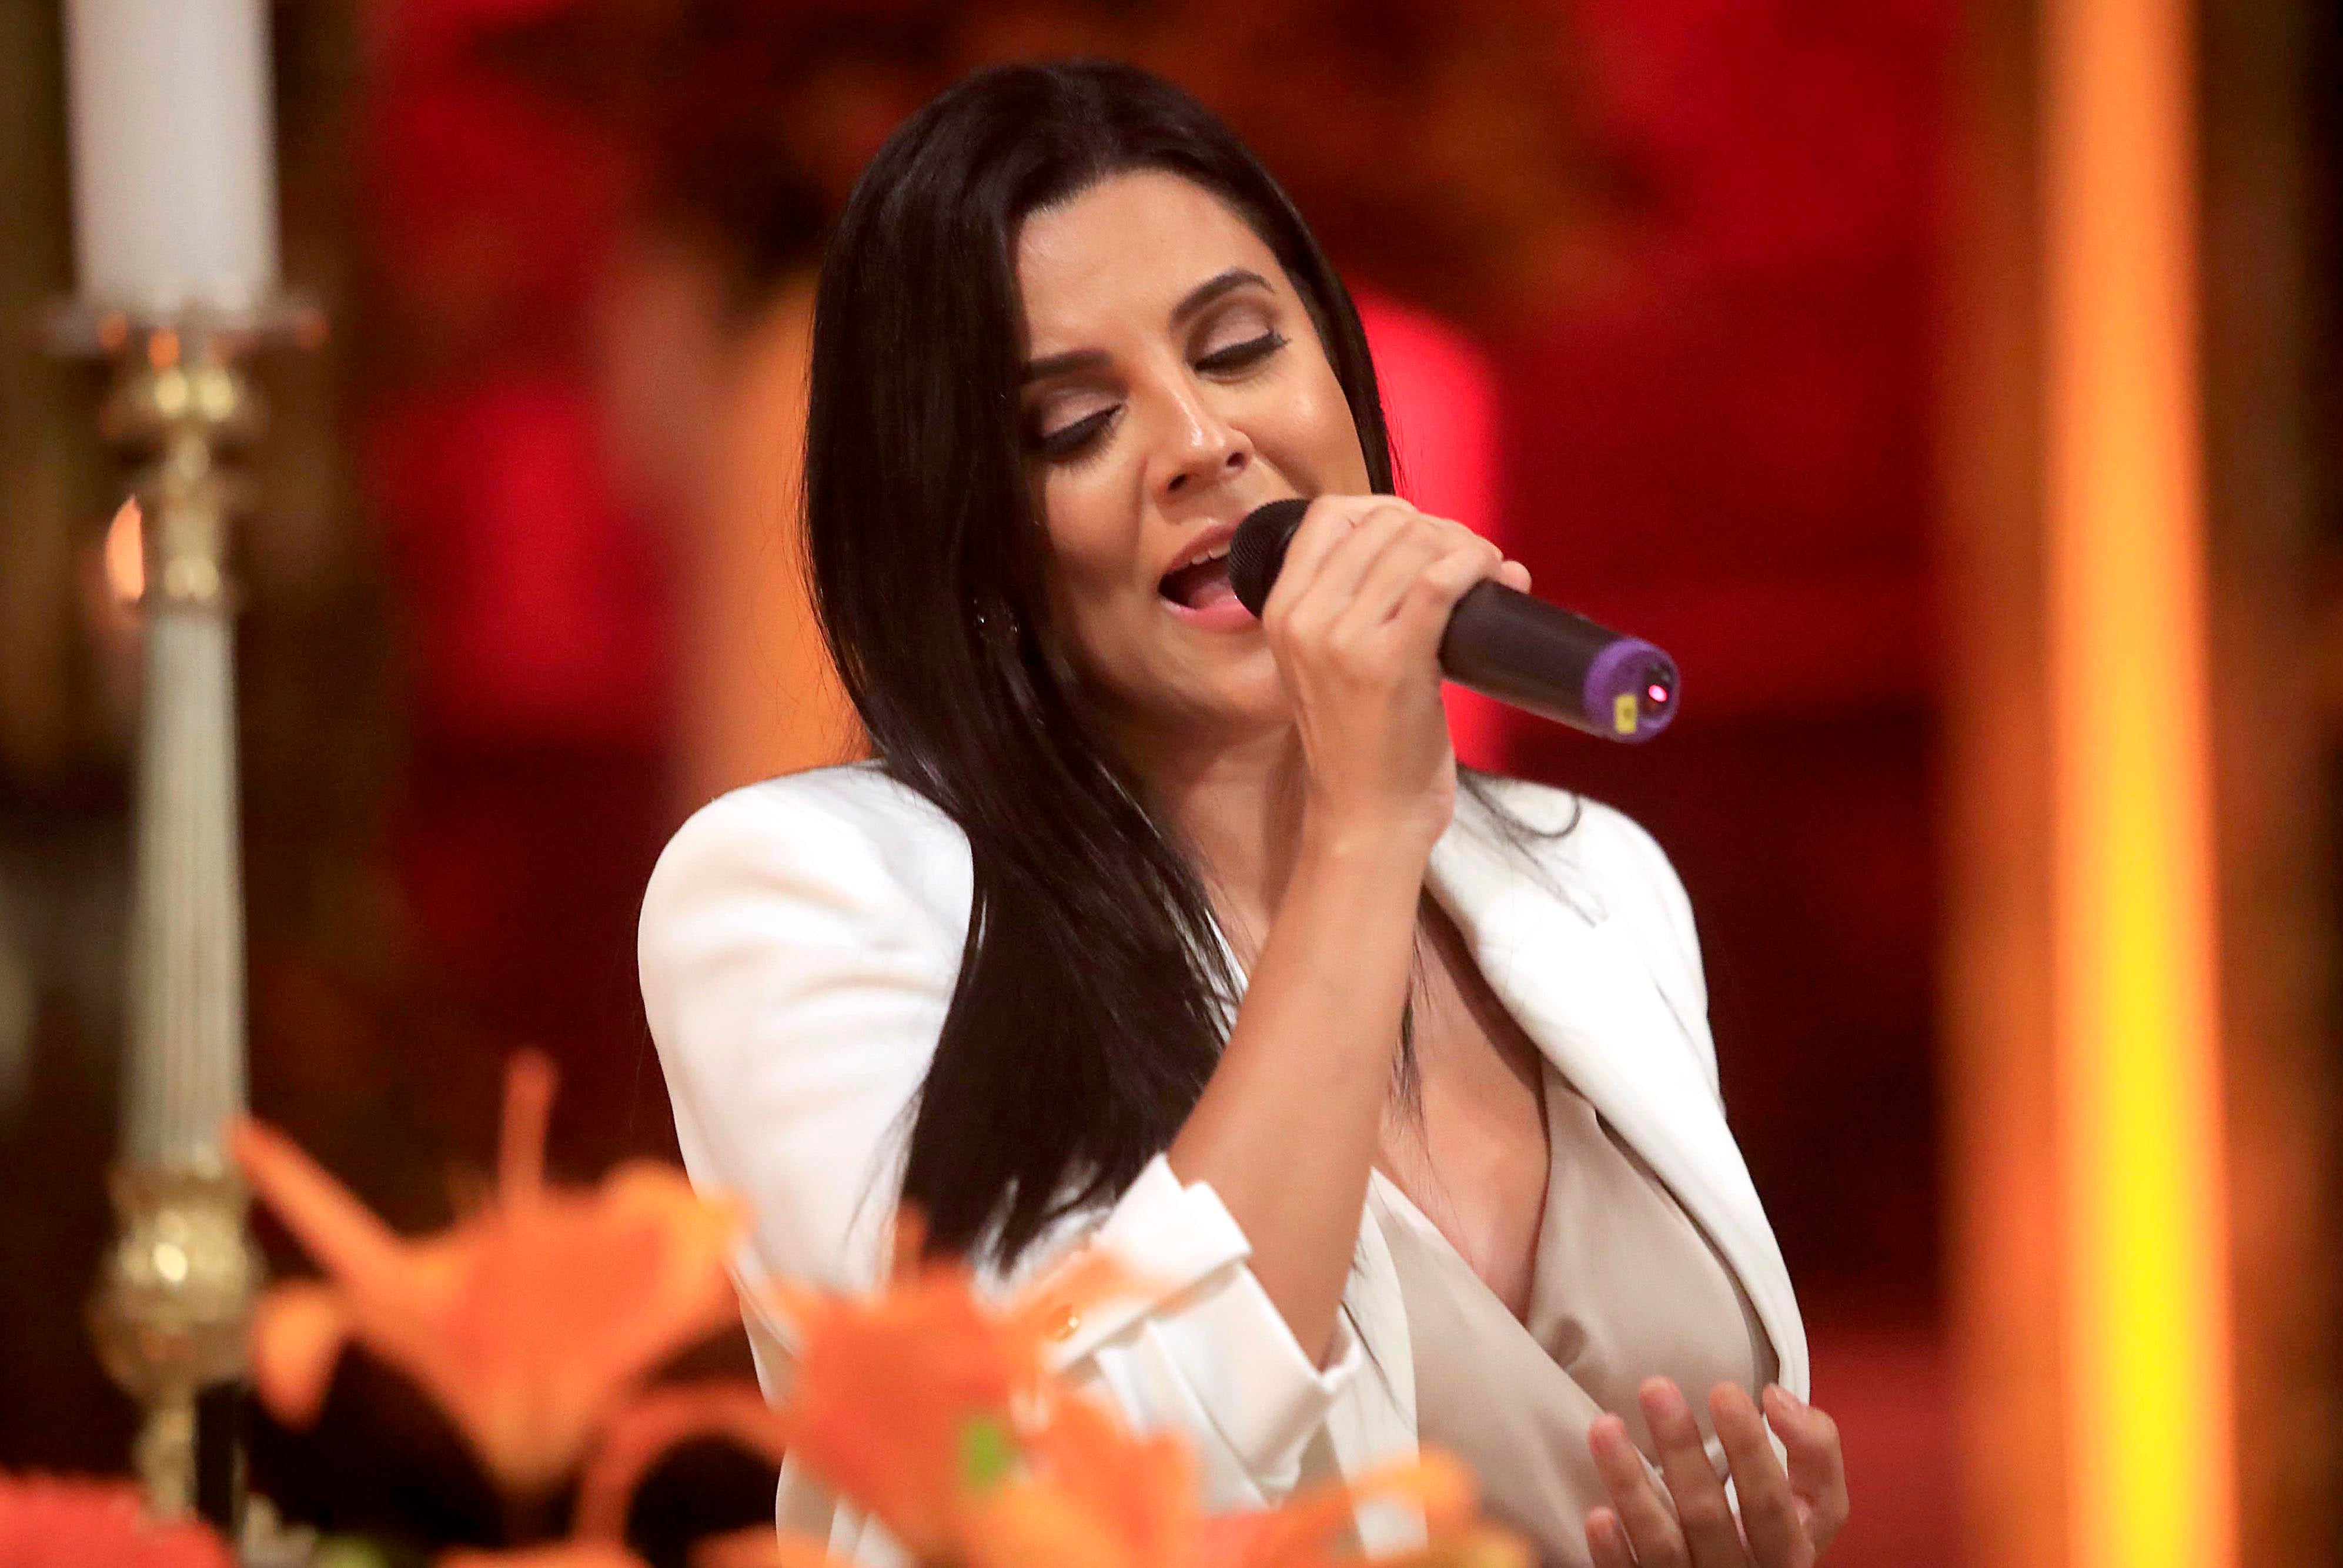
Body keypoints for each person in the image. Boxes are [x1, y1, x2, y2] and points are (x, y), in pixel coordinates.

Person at [639, 59, 1849, 1568]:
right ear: (966, 540)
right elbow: (1042, 1482)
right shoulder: (807, 900)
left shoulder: (1591, 881)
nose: (1200, 439)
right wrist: (1361, 833)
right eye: (1076, 424)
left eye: (1237, 348)